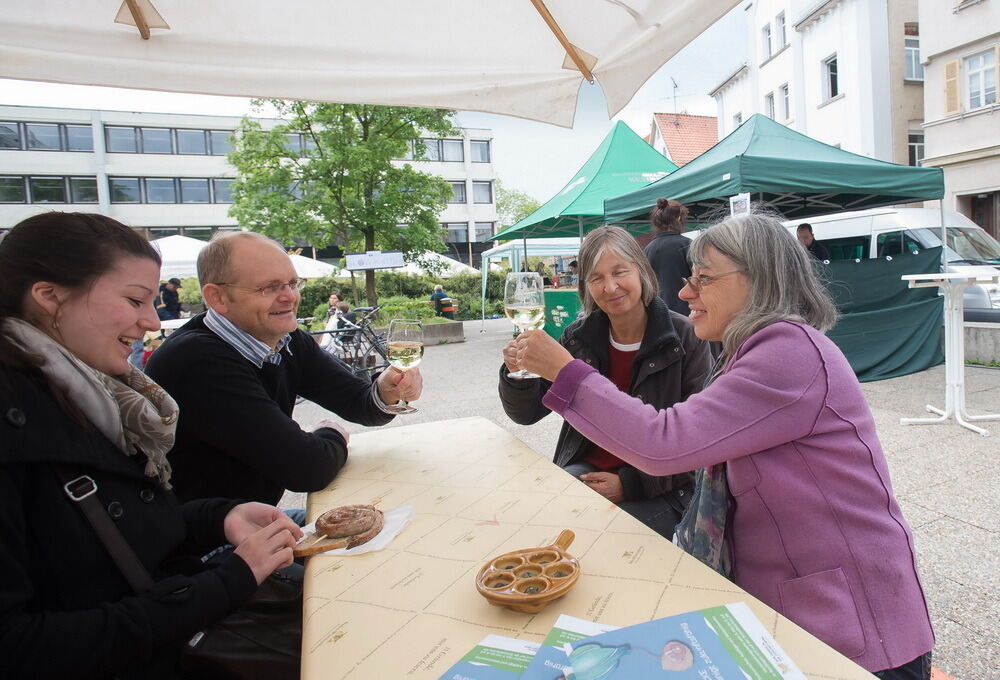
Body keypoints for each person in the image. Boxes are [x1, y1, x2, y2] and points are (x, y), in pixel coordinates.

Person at [509, 214, 934, 678]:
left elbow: (664, 443)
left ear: (761, 281)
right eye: (689, 278)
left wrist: (567, 373)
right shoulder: (752, 349)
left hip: (851, 629)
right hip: (804, 605)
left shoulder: (787, 353)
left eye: (704, 279)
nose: (686, 292)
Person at [0, 212, 302, 679]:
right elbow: (21, 648)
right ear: (49, 298)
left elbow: (111, 530)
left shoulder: (88, 395)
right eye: (136, 299)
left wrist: (219, 516)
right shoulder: (28, 419)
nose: (151, 320)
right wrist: (229, 580)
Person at [145, 232, 423, 516]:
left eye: (292, 283)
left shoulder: (285, 340)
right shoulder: (197, 360)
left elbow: (358, 401)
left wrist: (384, 391)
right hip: (208, 545)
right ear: (218, 297)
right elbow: (306, 468)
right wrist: (333, 433)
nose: (290, 296)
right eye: (269, 287)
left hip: (260, 523)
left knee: (403, 516)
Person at [499, 226, 711, 539]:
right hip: (586, 469)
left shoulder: (686, 337)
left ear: (642, 272)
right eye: (596, 278)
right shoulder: (579, 336)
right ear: (585, 285)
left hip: (664, 486)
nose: (610, 287)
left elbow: (700, 443)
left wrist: (630, 483)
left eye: (619, 272)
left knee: (601, 537)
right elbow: (526, 414)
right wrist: (517, 373)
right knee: (540, 519)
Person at [644, 198, 692, 316]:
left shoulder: (647, 250)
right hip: (689, 312)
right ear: (679, 218)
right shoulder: (687, 244)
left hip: (659, 314)